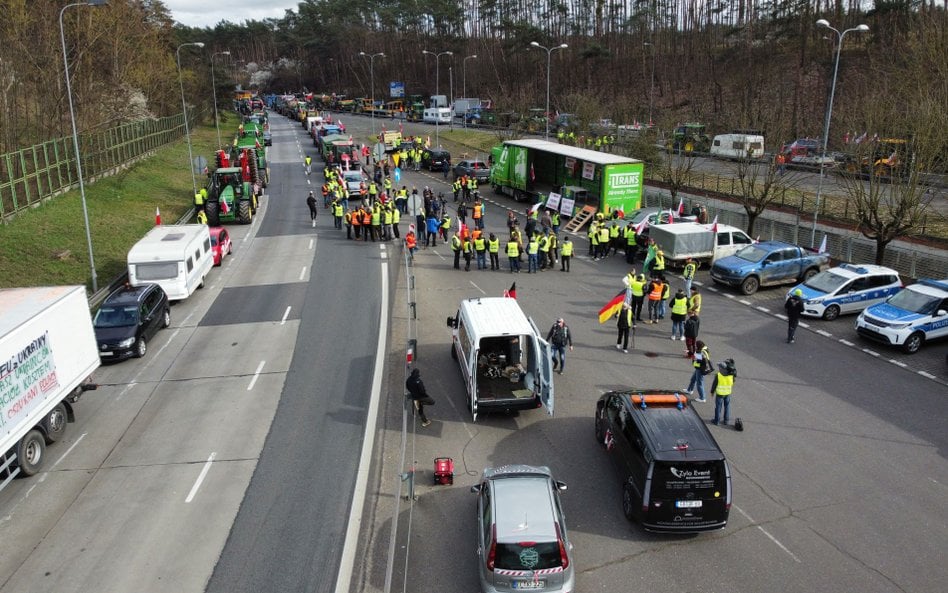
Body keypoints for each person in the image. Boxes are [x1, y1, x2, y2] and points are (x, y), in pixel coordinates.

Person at [711, 358, 736, 426]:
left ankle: (716, 421)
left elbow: (714, 385)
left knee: (718, 407)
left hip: (720, 394)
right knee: (727, 406)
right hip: (728, 393)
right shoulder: (731, 374)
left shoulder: (718, 375)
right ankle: (726, 421)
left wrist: (712, 392)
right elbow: (733, 381)